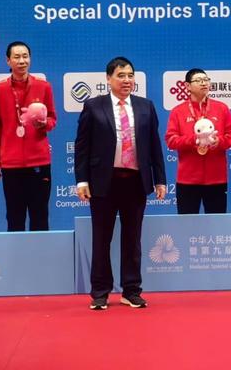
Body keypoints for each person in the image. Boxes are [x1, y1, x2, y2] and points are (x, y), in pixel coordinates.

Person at [75, 56, 166, 311]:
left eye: (130, 75)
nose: (126, 80)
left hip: (135, 182)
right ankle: (100, 292)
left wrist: (160, 179)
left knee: (132, 239)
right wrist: (82, 180)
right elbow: (82, 147)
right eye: (121, 76)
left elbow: (154, 145)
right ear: (108, 79)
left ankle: (131, 290)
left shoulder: (146, 106)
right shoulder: (94, 106)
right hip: (103, 182)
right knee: (101, 238)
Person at [0, 41, 57, 232]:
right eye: (17, 57)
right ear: (8, 61)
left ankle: (40, 252)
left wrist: (44, 124)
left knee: (40, 216)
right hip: (11, 165)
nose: (22, 61)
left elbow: (53, 119)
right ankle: (17, 252)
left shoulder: (43, 86)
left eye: (25, 56)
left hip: (39, 162)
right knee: (14, 217)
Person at [165, 69, 231, 214]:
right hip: (187, 179)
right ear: (187, 86)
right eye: (199, 80)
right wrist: (194, 140)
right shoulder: (178, 111)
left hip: (216, 178)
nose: (204, 83)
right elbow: (171, 140)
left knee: (217, 223)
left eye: (206, 80)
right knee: (187, 223)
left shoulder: (221, 108)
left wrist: (218, 141)